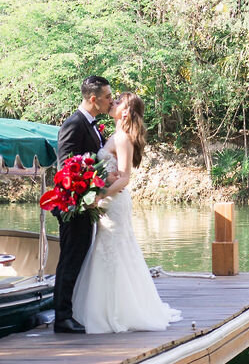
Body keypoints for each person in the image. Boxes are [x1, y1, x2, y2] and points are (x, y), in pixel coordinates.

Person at [72, 92, 182, 333]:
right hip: (107, 202)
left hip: (114, 203)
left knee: (112, 252)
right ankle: (105, 308)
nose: (113, 102)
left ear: (125, 112)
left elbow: (125, 179)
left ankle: (117, 311)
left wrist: (100, 195)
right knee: (109, 251)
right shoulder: (114, 134)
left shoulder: (122, 138)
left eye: (118, 100)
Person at [51, 75, 114, 333]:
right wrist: (91, 184)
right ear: (93, 99)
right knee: (70, 258)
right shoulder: (74, 124)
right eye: (107, 96)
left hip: (86, 204)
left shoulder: (93, 125)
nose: (111, 100)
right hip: (72, 205)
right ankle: (62, 317)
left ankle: (71, 311)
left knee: (79, 257)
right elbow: (66, 165)